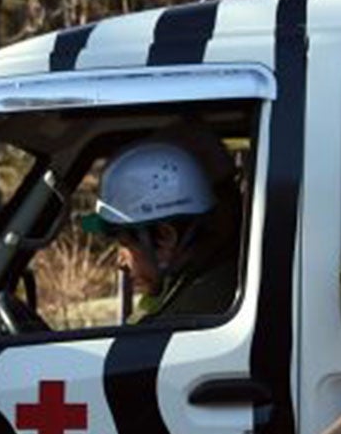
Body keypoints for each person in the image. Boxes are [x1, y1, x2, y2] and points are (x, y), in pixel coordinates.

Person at [80, 138, 243, 324]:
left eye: (124, 244)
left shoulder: (191, 314)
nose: (120, 262)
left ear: (166, 238)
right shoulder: (198, 284)